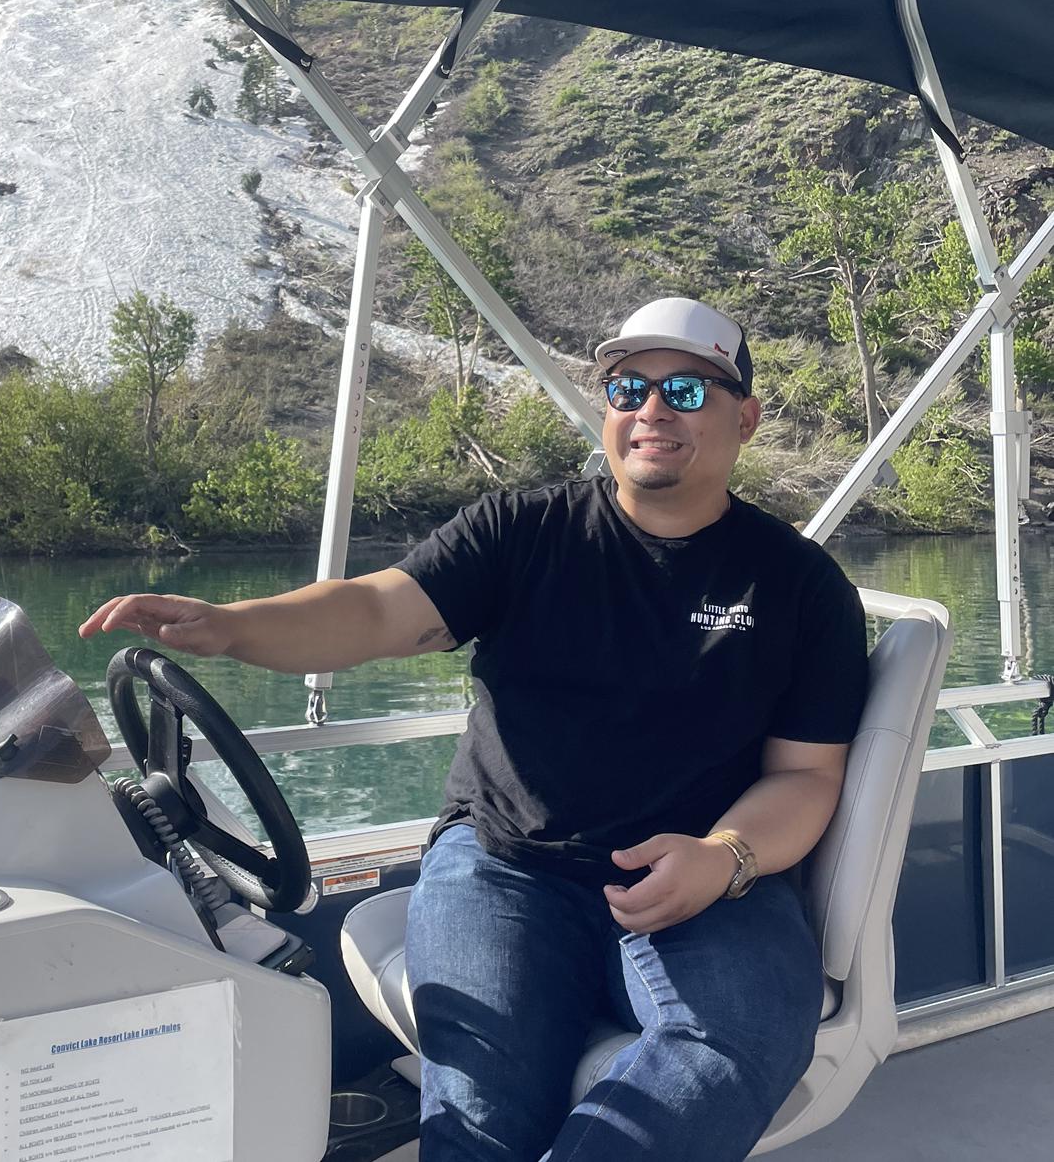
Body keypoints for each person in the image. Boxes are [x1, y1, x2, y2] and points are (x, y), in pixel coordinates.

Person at [80, 296, 868, 1162]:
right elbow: (378, 610)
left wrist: (724, 859)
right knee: (481, 1119)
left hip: (709, 880)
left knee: (735, 1047)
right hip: (507, 864)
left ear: (744, 418)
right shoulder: (522, 533)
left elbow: (806, 779)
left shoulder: (799, 585)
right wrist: (233, 625)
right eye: (626, 386)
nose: (649, 409)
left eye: (686, 390)